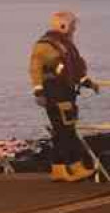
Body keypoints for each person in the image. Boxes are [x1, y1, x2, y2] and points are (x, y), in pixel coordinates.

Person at [29, 11, 100, 182]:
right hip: (56, 93)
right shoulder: (46, 45)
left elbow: (71, 69)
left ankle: (59, 169)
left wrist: (86, 82)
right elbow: (35, 66)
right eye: (73, 25)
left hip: (64, 92)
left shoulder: (64, 45)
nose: (74, 29)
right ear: (64, 26)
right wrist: (38, 91)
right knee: (66, 131)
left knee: (61, 132)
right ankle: (76, 167)